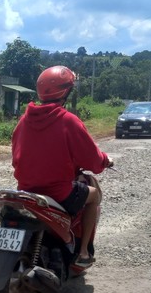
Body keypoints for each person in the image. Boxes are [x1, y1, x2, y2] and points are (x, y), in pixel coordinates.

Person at [11, 65, 112, 269]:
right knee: (95, 196)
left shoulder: (24, 121)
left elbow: (16, 158)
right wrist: (105, 161)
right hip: (59, 193)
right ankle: (83, 252)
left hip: (26, 191)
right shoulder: (69, 121)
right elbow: (93, 160)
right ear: (66, 92)